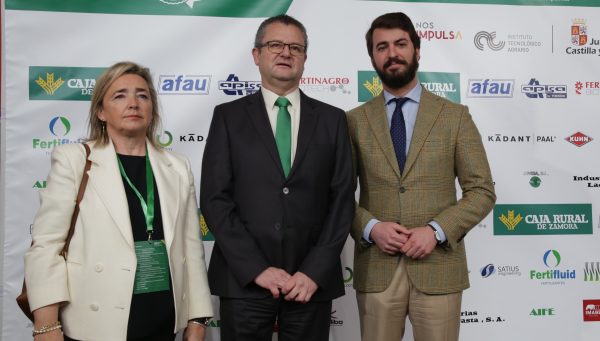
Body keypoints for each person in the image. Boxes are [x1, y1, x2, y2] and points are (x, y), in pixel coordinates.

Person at [24, 61, 213, 341]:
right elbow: (46, 245)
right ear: (101, 111)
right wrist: (47, 325)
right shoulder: (74, 159)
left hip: (162, 320)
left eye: (142, 95)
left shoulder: (177, 166)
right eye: (120, 95)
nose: (133, 103)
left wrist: (198, 319)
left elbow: (191, 250)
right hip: (94, 322)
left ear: (152, 110)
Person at [200, 14, 354, 341]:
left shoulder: (333, 120)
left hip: (309, 284)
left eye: (295, 47)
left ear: (304, 59)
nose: (286, 53)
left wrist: (314, 271)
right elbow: (215, 199)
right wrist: (256, 268)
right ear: (257, 55)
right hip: (244, 280)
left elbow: (342, 201)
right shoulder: (227, 117)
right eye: (275, 45)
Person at [347, 12, 496, 341]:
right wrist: (371, 228)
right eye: (381, 47)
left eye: (400, 44)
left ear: (417, 49)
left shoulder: (455, 117)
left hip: (439, 268)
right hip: (377, 269)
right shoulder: (353, 121)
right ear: (372, 56)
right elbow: (338, 195)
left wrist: (437, 230)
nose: (392, 53)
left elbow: (482, 191)